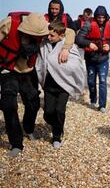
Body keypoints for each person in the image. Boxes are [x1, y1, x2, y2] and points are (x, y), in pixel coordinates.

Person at [0, 12, 75, 157]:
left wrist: (66, 48)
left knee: (33, 103)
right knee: (9, 105)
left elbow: (69, 31)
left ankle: (28, 128)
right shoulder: (9, 23)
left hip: (28, 71)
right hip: (7, 70)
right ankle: (16, 144)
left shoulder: (43, 25)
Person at [35, 21, 85, 149]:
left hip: (64, 85)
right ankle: (57, 125)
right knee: (48, 113)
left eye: (52, 36)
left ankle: (57, 136)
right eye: (48, 35)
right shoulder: (44, 45)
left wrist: (75, 82)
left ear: (61, 35)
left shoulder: (69, 47)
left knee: (60, 110)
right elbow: (40, 63)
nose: (49, 37)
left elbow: (76, 65)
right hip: (49, 85)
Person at [75, 6, 110, 113]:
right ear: (95, 16)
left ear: (106, 17)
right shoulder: (89, 24)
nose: (101, 20)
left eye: (103, 17)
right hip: (90, 58)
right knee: (91, 81)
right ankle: (93, 99)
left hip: (103, 59)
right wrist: (89, 43)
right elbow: (78, 39)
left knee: (103, 81)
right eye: (99, 17)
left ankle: (102, 105)